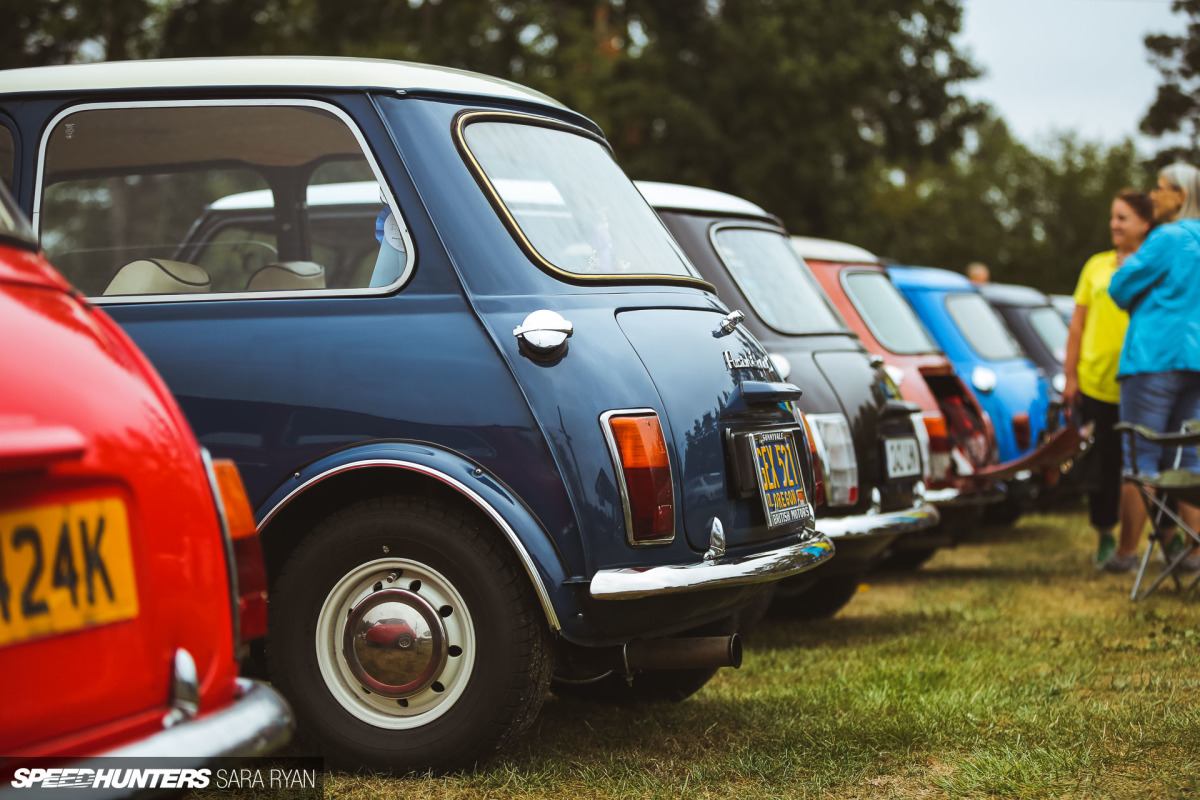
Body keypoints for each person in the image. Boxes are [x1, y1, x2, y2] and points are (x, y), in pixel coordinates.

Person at [1105, 163, 1200, 572]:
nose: (1154, 195)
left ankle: (1126, 555)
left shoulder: (1168, 237)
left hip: (1153, 357)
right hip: (1196, 361)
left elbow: (1120, 286)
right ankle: (1194, 553)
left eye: (1161, 190)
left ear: (1181, 196)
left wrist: (1127, 270)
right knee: (1191, 459)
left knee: (1139, 456)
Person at [1062, 190, 1153, 567]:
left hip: (1143, 382)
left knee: (1145, 463)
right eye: (1113, 217)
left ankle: (1166, 535)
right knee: (1102, 465)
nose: (1114, 225)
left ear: (1145, 224)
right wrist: (1070, 375)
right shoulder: (1096, 266)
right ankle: (1104, 534)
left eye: (1123, 218)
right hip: (1097, 381)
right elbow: (1078, 324)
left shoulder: (1154, 262)